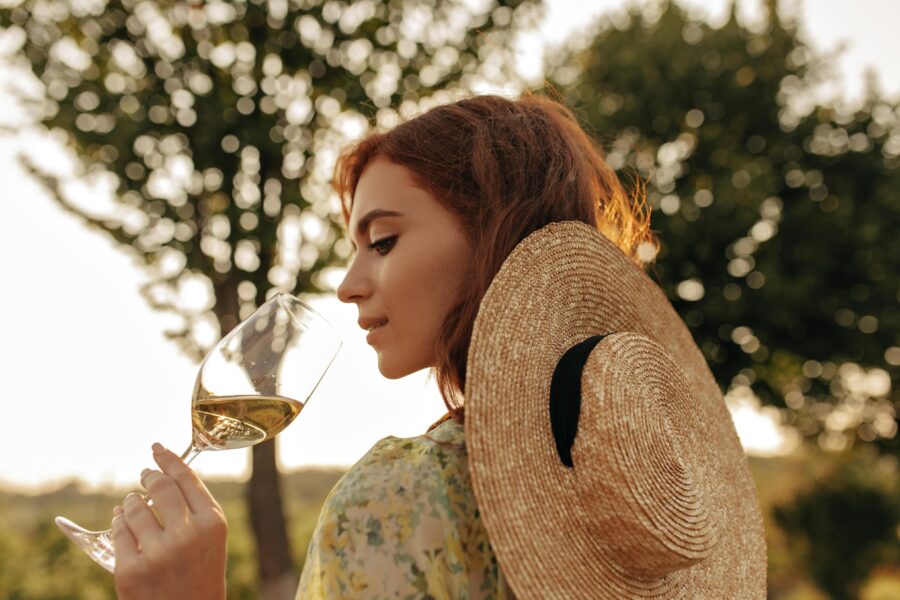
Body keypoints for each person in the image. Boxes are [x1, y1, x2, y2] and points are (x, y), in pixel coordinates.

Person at [110, 93, 767, 599]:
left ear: (493, 242)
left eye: (384, 241)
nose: (347, 285)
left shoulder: (403, 498)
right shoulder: (660, 513)